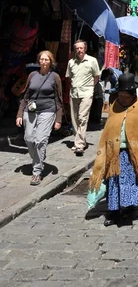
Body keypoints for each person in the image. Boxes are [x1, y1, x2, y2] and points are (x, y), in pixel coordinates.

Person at [89, 73, 138, 226]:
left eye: (126, 96)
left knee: (129, 182)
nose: (123, 98)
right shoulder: (115, 107)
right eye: (120, 95)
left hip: (132, 155)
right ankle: (113, 211)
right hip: (114, 152)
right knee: (113, 182)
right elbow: (108, 129)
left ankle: (127, 210)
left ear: (132, 95)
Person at [16, 50, 63, 185]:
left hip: (48, 111)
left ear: (51, 62)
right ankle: (39, 157)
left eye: (46, 60)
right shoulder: (32, 75)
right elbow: (25, 96)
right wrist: (19, 114)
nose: (43, 62)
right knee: (29, 138)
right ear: (38, 61)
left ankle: (36, 172)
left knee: (40, 140)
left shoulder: (55, 77)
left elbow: (58, 99)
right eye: (41, 59)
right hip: (30, 110)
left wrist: (58, 119)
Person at [66, 40, 100, 156]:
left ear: (85, 49)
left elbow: (96, 76)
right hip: (74, 93)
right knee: (74, 119)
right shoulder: (71, 62)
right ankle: (80, 140)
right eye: (77, 48)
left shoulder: (92, 61)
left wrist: (90, 88)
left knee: (82, 117)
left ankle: (79, 145)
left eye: (81, 48)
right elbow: (70, 77)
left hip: (86, 93)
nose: (79, 50)